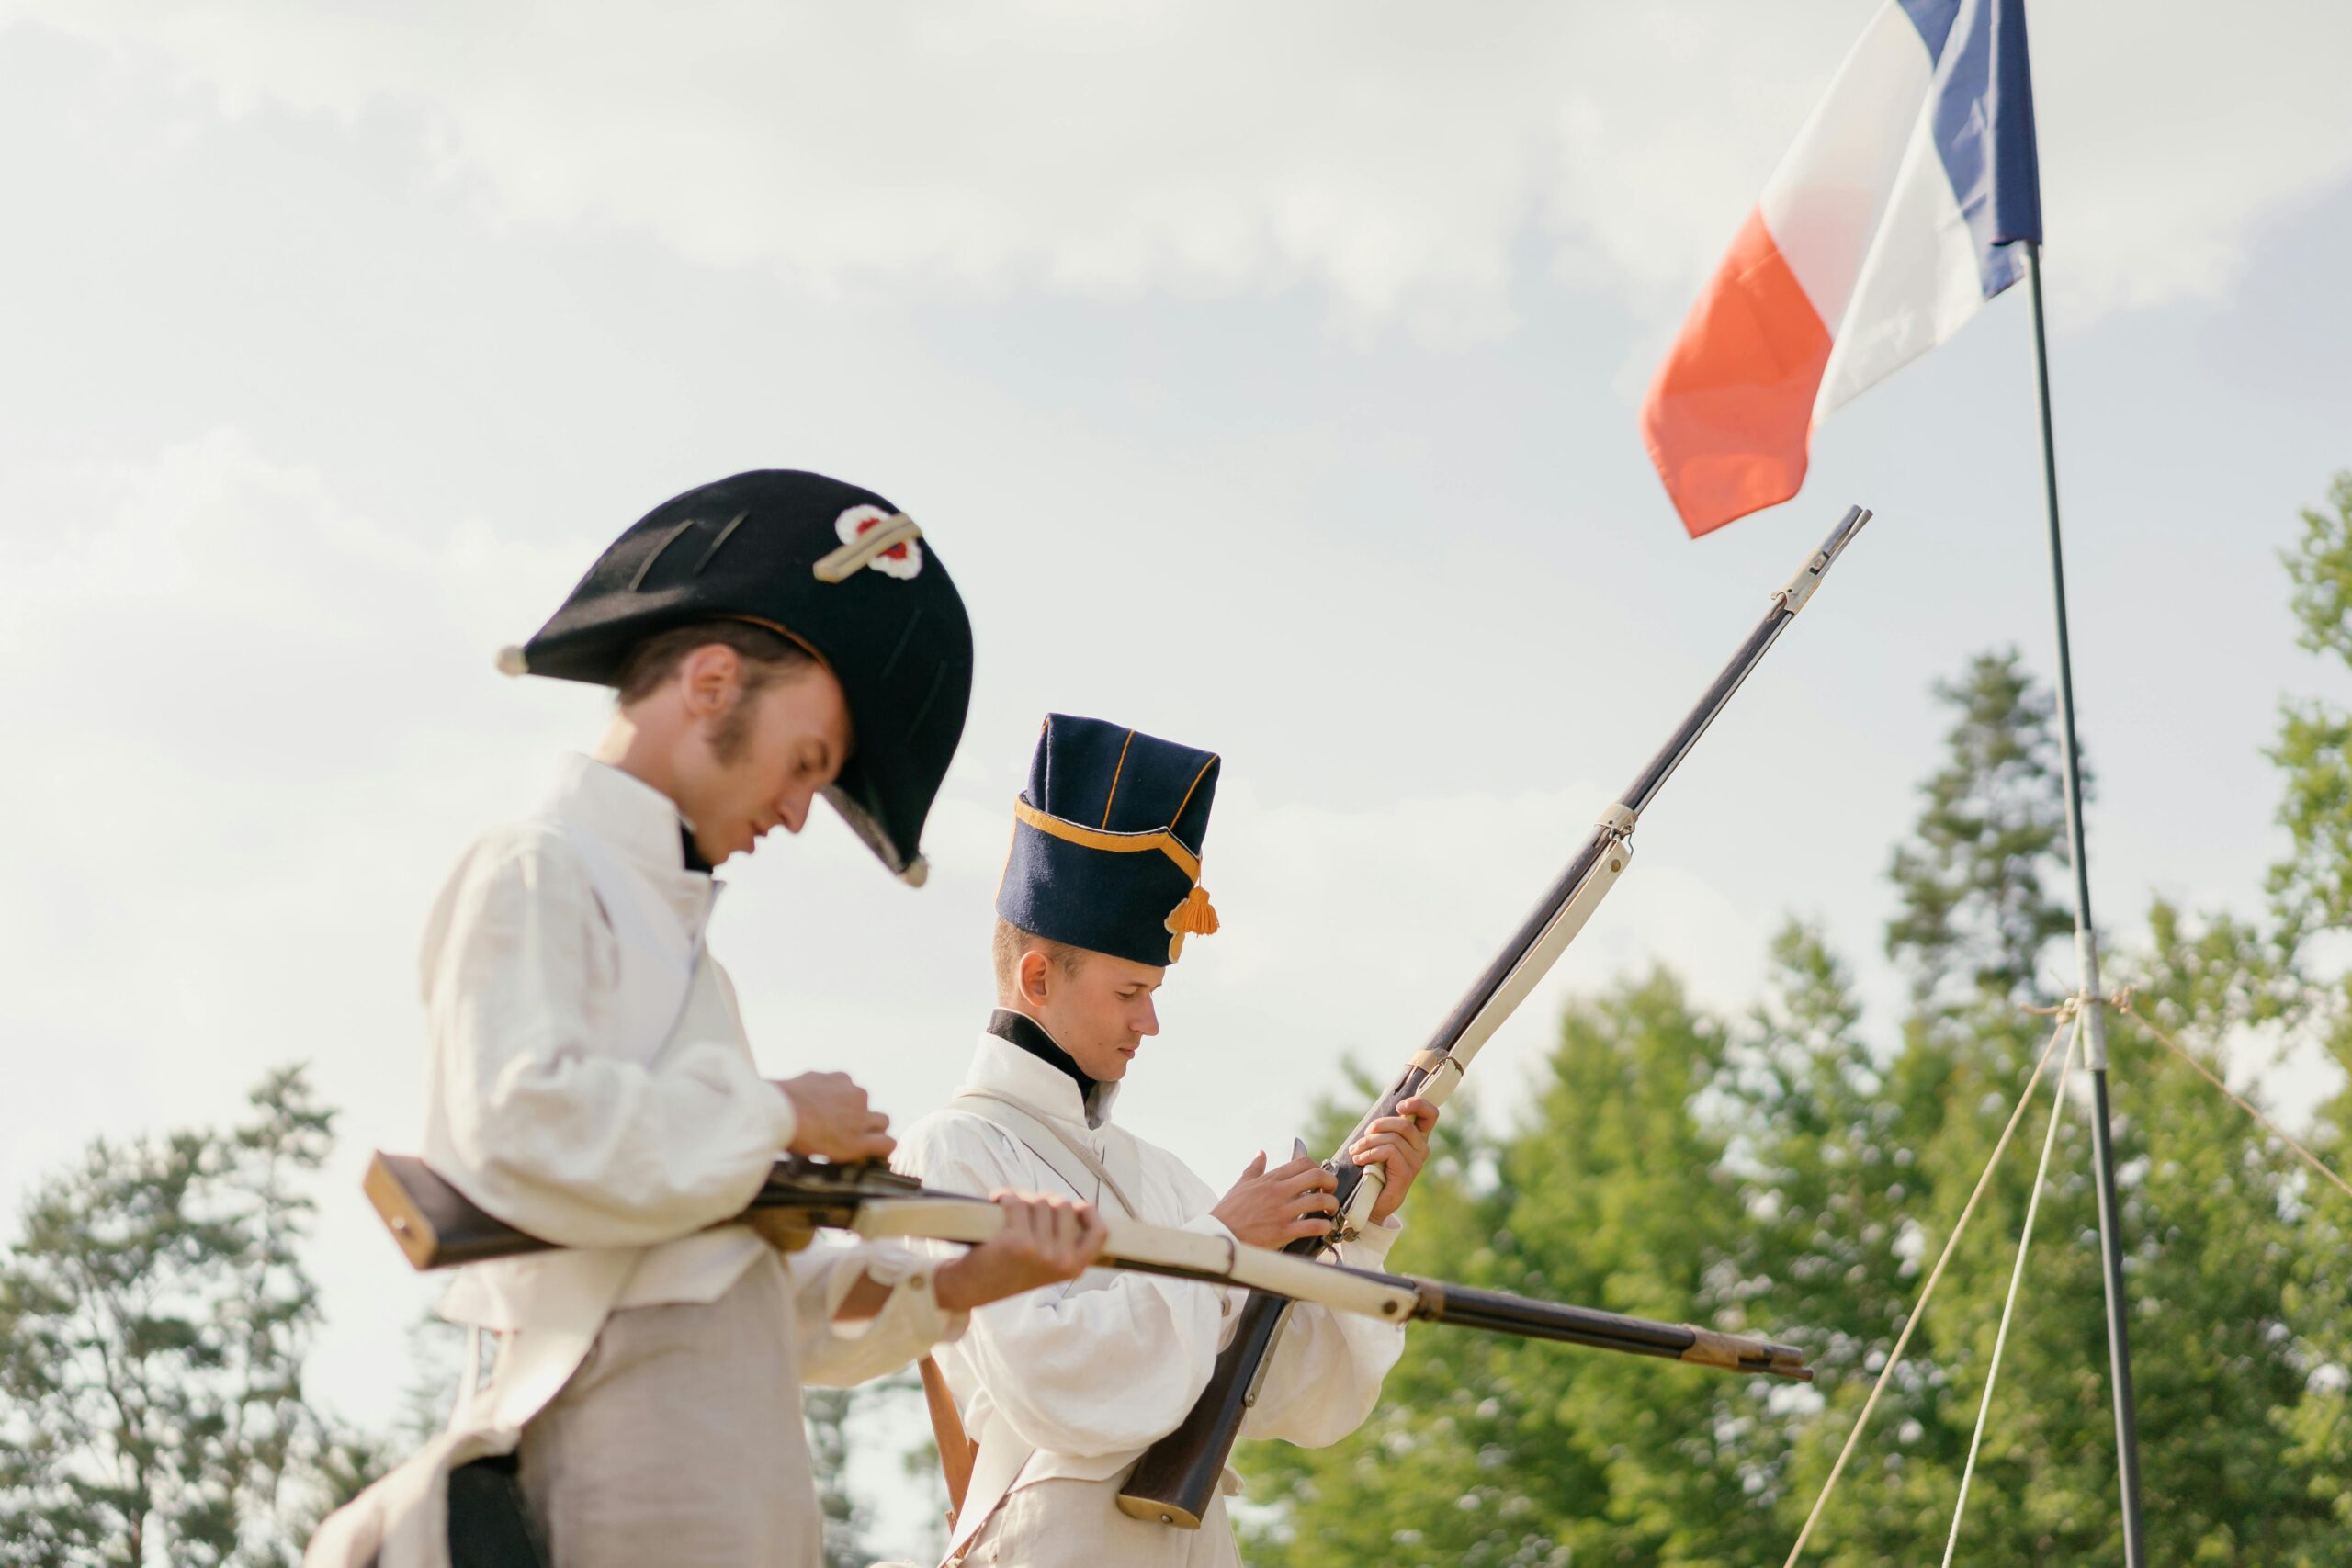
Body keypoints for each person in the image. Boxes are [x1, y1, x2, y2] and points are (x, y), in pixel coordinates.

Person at [308, 472, 1107, 1568]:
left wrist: (963, 1283)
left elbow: (737, 1298)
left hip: (734, 1472)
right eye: (805, 765)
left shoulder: (686, 958)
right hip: (624, 1458)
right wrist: (779, 1114)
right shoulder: (534, 868)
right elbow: (518, 1124)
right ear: (713, 683)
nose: (791, 811)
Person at [894, 714, 1441, 1567]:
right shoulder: (953, 1152)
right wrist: (1223, 1247)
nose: (1149, 1021)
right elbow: (1057, 1387)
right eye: (1128, 991)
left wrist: (1359, 1226)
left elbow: (1306, 1400)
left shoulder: (1158, 1176)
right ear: (1039, 976)